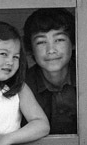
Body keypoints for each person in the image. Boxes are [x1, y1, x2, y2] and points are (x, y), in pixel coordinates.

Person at [23, 7, 78, 135]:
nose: (51, 50)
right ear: (30, 48)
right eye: (41, 42)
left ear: (74, 42)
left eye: (59, 40)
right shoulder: (23, 85)